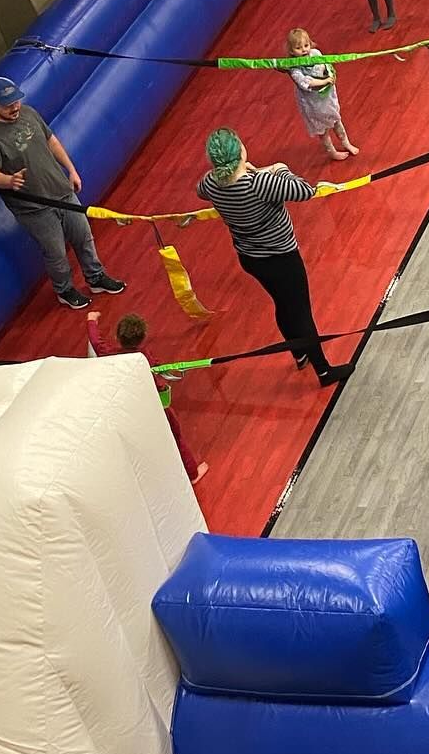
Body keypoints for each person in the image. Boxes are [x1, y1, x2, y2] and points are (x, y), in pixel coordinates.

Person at [196, 127, 352, 388]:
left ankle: (299, 352)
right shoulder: (261, 184)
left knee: (282, 304)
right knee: (302, 312)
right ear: (241, 153)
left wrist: (256, 172)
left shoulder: (211, 183)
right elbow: (304, 190)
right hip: (282, 257)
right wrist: (279, 168)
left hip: (251, 258)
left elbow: (201, 190)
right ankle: (323, 371)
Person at [0, 75, 125, 309]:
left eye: (16, 101)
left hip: (61, 190)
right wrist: (8, 180)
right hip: (34, 207)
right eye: (7, 105)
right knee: (56, 252)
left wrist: (71, 170)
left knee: (83, 236)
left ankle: (95, 277)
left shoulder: (28, 113)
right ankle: (64, 290)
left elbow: (51, 141)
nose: (14, 107)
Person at [87, 309, 207, 483]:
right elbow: (160, 369)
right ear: (143, 336)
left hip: (131, 405)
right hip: (155, 403)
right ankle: (192, 474)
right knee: (175, 436)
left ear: (117, 336)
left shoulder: (109, 355)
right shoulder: (145, 358)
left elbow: (96, 342)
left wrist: (91, 320)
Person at [286, 27, 359, 162]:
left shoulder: (316, 53)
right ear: (291, 51)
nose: (304, 50)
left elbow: (326, 65)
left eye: (306, 45)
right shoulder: (295, 68)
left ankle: (345, 142)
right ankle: (331, 151)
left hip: (327, 97)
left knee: (336, 120)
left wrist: (331, 74)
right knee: (323, 129)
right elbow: (305, 82)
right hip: (312, 103)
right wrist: (324, 81)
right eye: (298, 48)